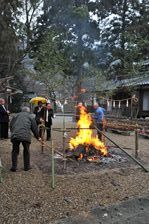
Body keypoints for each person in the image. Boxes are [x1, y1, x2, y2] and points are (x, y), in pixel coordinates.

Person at [10, 106, 40, 172]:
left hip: (15, 135)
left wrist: (13, 132)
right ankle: (26, 167)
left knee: (15, 151)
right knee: (26, 151)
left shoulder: (15, 116)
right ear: (28, 111)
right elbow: (34, 128)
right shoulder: (30, 117)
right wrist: (38, 137)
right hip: (25, 136)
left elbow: (11, 125)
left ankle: (14, 167)